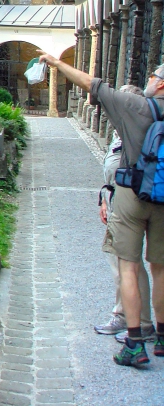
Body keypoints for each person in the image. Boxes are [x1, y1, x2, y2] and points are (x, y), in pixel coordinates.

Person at [40, 54, 164, 368]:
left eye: (151, 76)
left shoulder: (135, 106)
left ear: (161, 83)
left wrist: (55, 62)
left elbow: (91, 83)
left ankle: (135, 343)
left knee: (128, 267)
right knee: (162, 269)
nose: (147, 79)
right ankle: (162, 338)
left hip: (131, 196)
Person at [93, 85, 153, 339]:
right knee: (124, 265)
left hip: (132, 206)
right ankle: (135, 319)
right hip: (117, 202)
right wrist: (105, 199)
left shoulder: (136, 135)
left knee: (127, 265)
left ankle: (135, 320)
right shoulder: (120, 135)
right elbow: (112, 174)